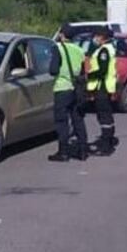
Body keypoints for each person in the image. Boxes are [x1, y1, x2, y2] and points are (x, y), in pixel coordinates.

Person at [48, 25, 88, 162]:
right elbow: (83, 72)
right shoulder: (80, 50)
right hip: (76, 89)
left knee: (61, 121)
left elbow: (53, 70)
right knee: (78, 119)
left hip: (62, 88)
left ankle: (63, 152)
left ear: (62, 35)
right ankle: (83, 151)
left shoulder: (57, 48)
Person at [87, 27, 118, 156]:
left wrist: (88, 76)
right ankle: (109, 142)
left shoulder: (104, 50)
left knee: (104, 117)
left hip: (102, 87)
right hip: (106, 87)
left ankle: (106, 147)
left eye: (96, 36)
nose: (95, 39)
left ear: (101, 37)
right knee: (107, 117)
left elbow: (102, 70)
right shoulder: (109, 49)